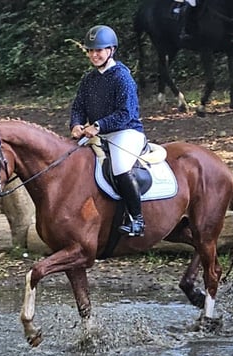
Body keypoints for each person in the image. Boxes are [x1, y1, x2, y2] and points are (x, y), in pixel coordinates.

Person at [70, 25, 146, 237]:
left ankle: (137, 220)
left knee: (120, 167)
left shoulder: (122, 77)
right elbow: (78, 106)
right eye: (91, 51)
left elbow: (125, 112)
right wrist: (76, 124)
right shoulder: (89, 79)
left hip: (126, 132)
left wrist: (98, 126)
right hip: (97, 133)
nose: (94, 55)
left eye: (99, 50)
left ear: (111, 50)